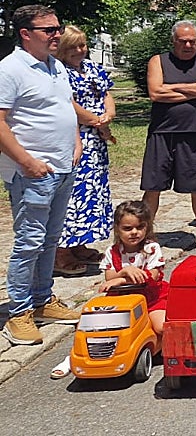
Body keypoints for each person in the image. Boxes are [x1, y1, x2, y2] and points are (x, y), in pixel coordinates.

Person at [0, 5, 82, 345]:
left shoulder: (56, 66)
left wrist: (75, 140)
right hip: (32, 172)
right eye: (48, 30)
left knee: (50, 240)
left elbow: (64, 107)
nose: (57, 34)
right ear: (25, 33)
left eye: (57, 28)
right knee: (29, 242)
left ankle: (42, 300)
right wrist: (27, 161)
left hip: (62, 167)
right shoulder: (10, 69)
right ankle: (18, 312)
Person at [51, 199, 170, 380]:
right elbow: (109, 279)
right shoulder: (112, 251)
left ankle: (156, 345)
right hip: (120, 299)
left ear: (147, 227)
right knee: (92, 328)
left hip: (151, 298)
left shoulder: (151, 248)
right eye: (128, 228)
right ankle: (73, 358)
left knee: (161, 326)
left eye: (140, 227)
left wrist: (121, 278)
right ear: (118, 229)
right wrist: (124, 271)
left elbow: (151, 275)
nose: (134, 232)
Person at [142, 19, 196, 249]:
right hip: (162, 132)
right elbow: (156, 93)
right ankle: (146, 233)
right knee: (153, 186)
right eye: (183, 41)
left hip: (195, 133)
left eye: (192, 41)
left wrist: (173, 88)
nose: (188, 45)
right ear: (173, 41)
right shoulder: (158, 61)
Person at [54, 25, 116, 274]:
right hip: (74, 136)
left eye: (82, 45)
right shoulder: (58, 72)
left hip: (96, 139)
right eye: (73, 47)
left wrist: (108, 115)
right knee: (73, 195)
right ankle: (61, 253)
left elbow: (106, 94)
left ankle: (79, 243)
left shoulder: (91, 68)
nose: (80, 50)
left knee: (92, 192)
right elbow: (67, 104)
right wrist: (94, 120)